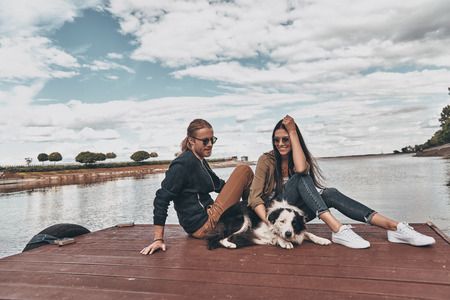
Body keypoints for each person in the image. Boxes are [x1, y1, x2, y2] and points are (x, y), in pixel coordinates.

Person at [248, 115, 436, 249]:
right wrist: (273, 224)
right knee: (301, 178)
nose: (281, 143)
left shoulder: (299, 157)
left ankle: (394, 227)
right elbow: (255, 198)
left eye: (286, 139)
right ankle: (338, 229)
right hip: (276, 216)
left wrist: (294, 132)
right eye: (277, 140)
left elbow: (300, 167)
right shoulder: (267, 160)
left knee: (329, 193)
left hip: (295, 215)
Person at [141, 118, 254, 255]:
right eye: (205, 141)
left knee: (244, 174)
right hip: (204, 224)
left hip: (209, 217)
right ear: (191, 141)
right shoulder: (183, 164)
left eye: (212, 140)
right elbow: (161, 198)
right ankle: (254, 218)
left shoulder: (199, 160)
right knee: (244, 170)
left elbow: (219, 186)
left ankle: (252, 216)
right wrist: (158, 239)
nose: (210, 144)